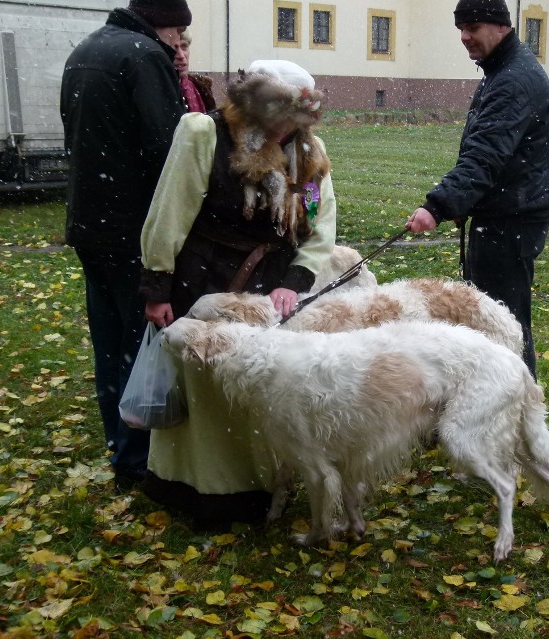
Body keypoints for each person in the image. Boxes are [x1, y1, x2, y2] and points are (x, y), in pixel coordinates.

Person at [138, 60, 337, 524]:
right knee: (205, 380)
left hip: (269, 285)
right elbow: (171, 209)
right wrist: (157, 284)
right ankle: (202, 491)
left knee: (255, 381)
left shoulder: (309, 153)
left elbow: (319, 222)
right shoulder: (205, 133)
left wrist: (296, 281)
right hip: (203, 276)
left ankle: (258, 487)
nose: (292, 127)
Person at [60, 0, 191, 491]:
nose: (179, 43)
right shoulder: (143, 55)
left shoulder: (88, 49)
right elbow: (172, 144)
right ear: (169, 23)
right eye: (178, 32)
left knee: (109, 340)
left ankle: (119, 442)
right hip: (132, 225)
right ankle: (140, 458)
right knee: (143, 345)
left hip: (90, 221)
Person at [405, 0, 549, 378]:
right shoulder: (502, 70)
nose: (464, 36)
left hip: (512, 222)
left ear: (500, 26)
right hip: (503, 215)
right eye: (460, 27)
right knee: (491, 320)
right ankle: (499, 401)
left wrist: (438, 206)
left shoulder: (513, 80)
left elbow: (484, 156)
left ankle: (520, 410)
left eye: (473, 26)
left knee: (503, 325)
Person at [174, 30, 216, 113]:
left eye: (184, 47)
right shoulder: (157, 90)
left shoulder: (201, 87)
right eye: (174, 48)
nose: (181, 56)